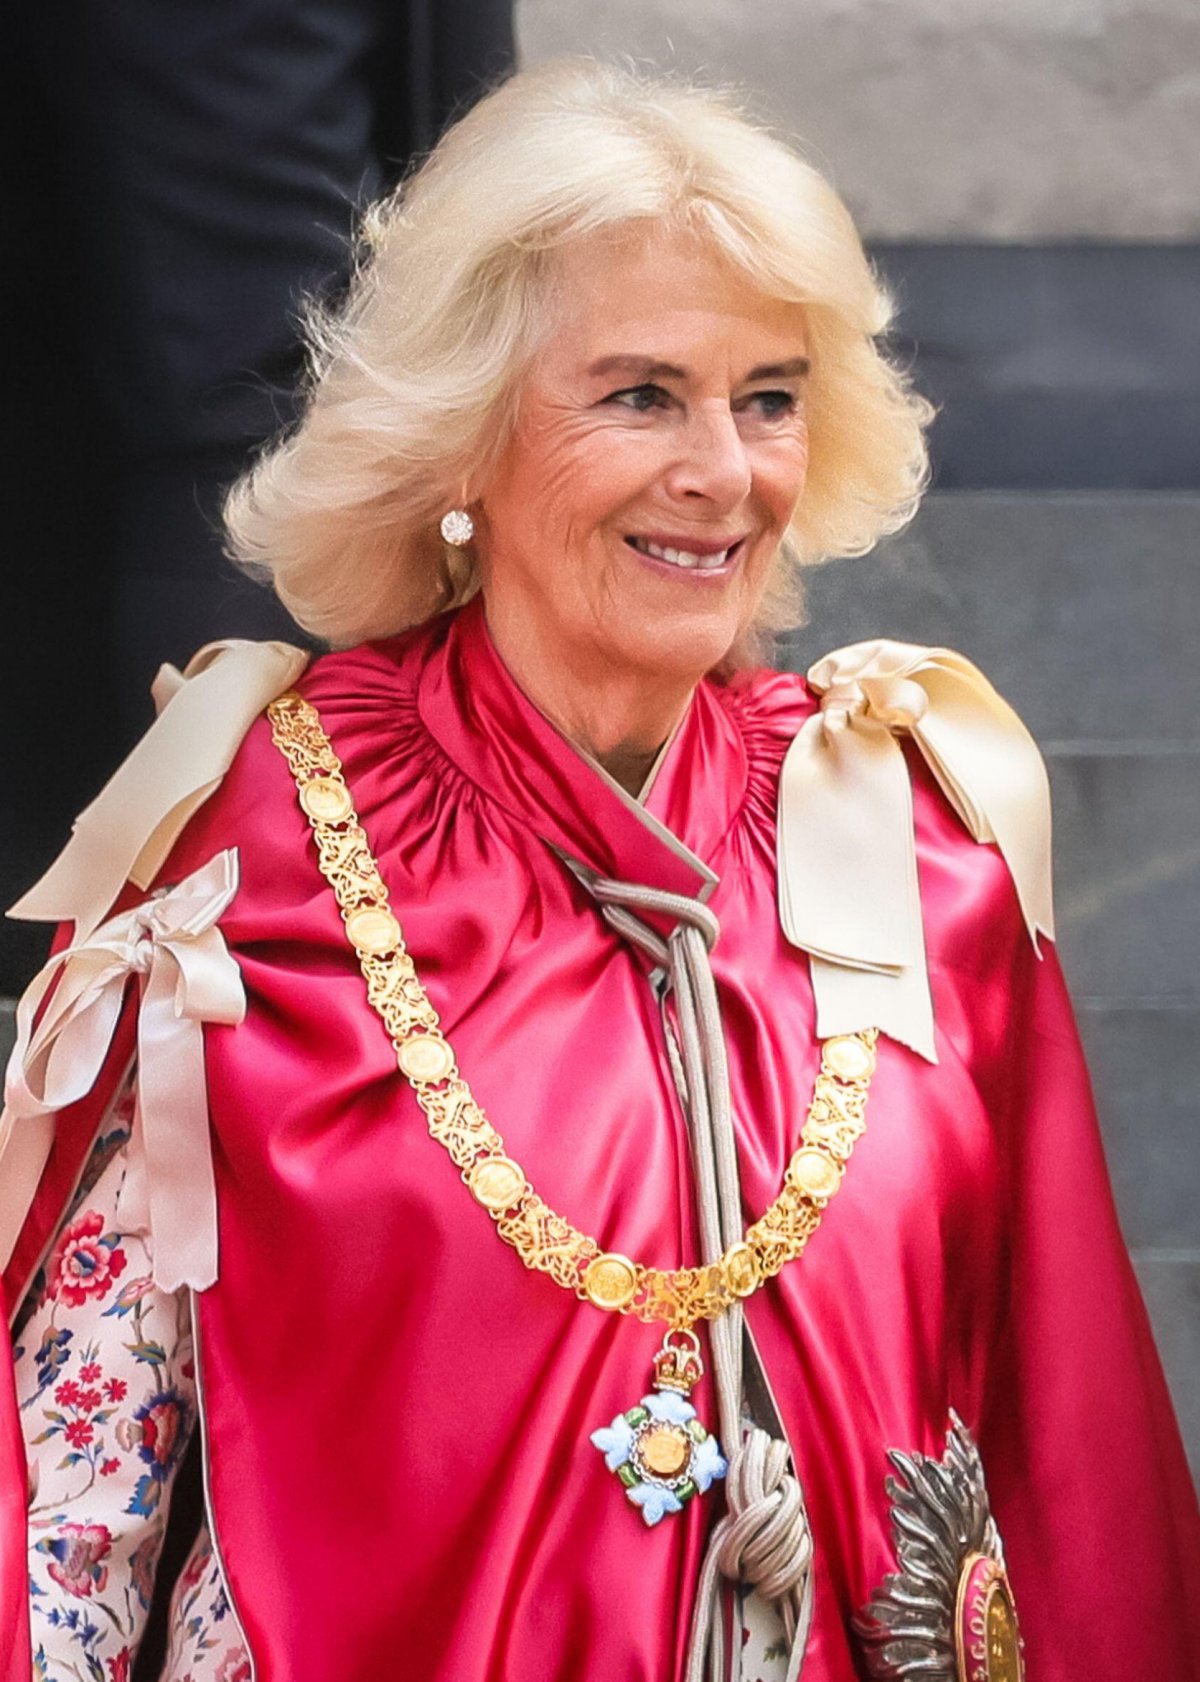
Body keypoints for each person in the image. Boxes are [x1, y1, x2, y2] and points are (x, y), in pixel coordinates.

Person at [2, 57, 1197, 1682]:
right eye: (641, 394)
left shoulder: (920, 837)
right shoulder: (249, 847)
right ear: (465, 442)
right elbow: (74, 1516)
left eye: (767, 397)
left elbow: (1073, 1458)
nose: (724, 471)